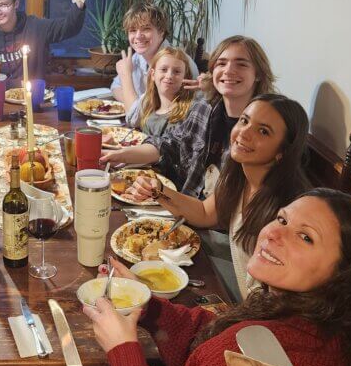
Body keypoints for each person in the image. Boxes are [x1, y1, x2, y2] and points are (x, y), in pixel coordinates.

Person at [85, 188, 351, 366]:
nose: (273, 234)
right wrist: (147, 306)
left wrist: (122, 349)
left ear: (342, 273)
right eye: (282, 220)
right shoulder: (307, 319)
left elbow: (221, 350)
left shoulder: (263, 361)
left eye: (306, 237)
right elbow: (214, 332)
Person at [127, 94, 312, 299]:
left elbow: (280, 296)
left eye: (263, 131)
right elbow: (204, 213)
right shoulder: (239, 175)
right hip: (243, 287)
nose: (244, 133)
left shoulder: (289, 210)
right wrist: (159, 191)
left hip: (258, 306)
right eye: (244, 121)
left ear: (283, 151)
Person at [102, 35, 276, 198]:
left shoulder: (266, 129)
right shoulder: (203, 110)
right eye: (221, 63)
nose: (229, 70)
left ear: (258, 74)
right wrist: (117, 155)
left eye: (241, 64)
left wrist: (162, 195)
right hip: (186, 207)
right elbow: (167, 145)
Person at [112, 3, 198, 111]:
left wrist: (126, 77)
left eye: (146, 29)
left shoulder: (178, 64)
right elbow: (115, 87)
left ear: (161, 32)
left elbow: (140, 115)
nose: (138, 36)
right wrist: (133, 102)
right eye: (133, 30)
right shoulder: (138, 56)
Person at [127, 47, 195, 137]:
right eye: (163, 70)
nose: (169, 76)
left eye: (177, 71)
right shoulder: (148, 108)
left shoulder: (188, 113)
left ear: (185, 77)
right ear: (153, 74)